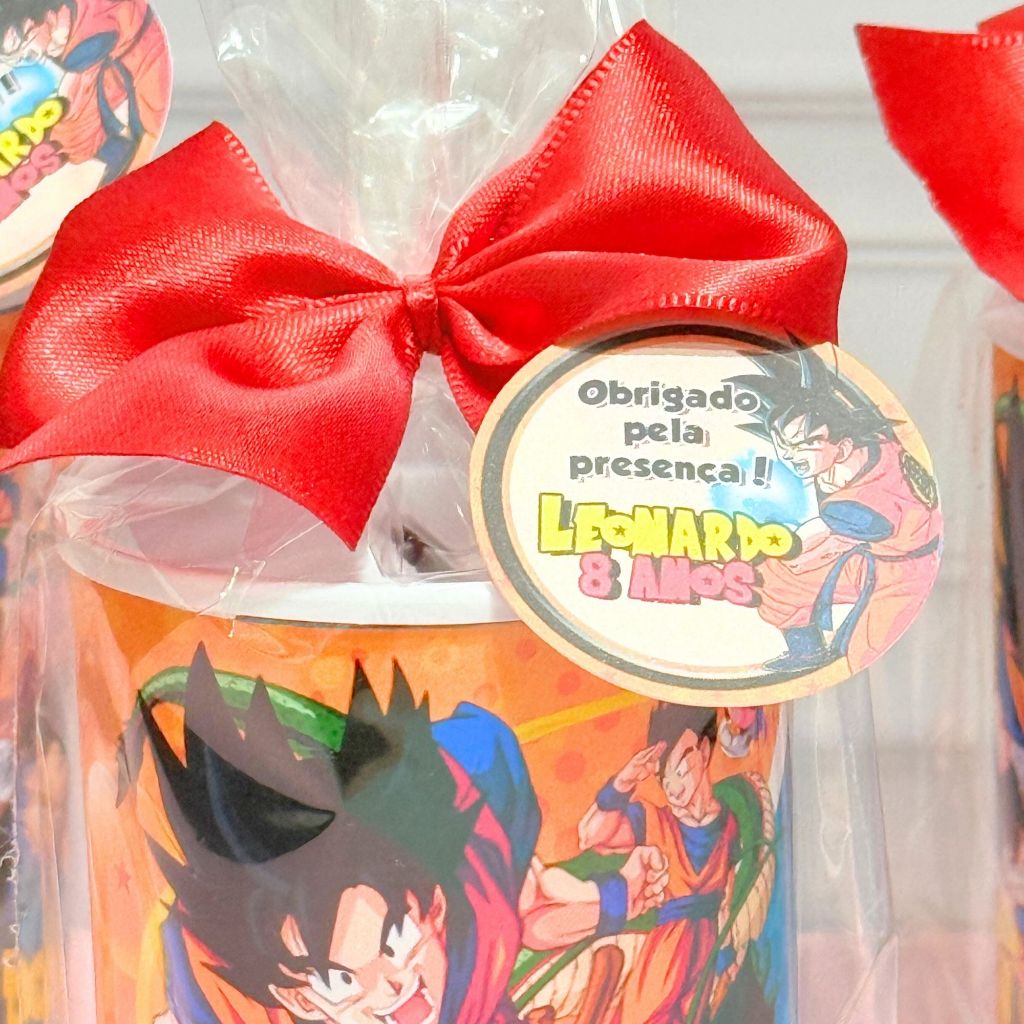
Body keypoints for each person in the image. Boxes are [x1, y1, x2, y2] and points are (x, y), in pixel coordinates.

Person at [139, 645, 669, 1024]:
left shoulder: (473, 907)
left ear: (432, 906)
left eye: (396, 939)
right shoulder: (223, 992)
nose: (390, 983)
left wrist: (617, 899)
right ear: (299, 999)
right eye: (341, 980)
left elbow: (528, 910)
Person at [730, 346, 941, 674]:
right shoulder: (849, 457)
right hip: (868, 557)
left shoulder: (862, 498)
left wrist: (790, 547)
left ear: (842, 447)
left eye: (802, 444)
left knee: (860, 652)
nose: (791, 456)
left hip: (903, 575)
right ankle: (806, 651)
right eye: (783, 446)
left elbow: (835, 536)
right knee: (774, 576)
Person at [575, 705, 773, 1024]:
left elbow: (727, 898)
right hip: (665, 956)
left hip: (705, 951)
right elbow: (589, 834)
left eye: (681, 769)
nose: (674, 787)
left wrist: (724, 958)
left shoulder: (730, 824)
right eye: (665, 778)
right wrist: (623, 782)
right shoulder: (654, 820)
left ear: (704, 751)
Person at [0, 0, 168, 181]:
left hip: (150, 113)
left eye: (22, 42)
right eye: (16, 55)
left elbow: (82, 141)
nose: (29, 54)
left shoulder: (97, 34)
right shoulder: (66, 59)